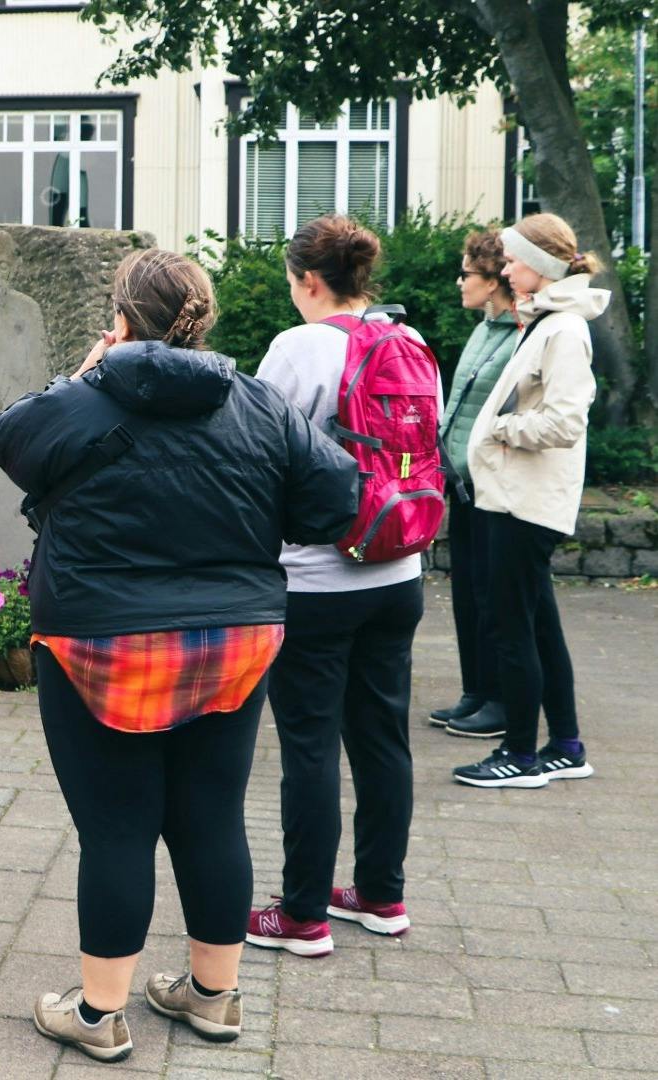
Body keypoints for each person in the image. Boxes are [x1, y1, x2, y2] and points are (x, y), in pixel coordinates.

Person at [0, 248, 357, 1062]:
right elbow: (336, 500)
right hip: (234, 638)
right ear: (206, 317)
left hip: (99, 643)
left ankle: (99, 1014)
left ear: (118, 321)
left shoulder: (83, 405)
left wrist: (86, 373)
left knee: (117, 828)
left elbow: (6, 440)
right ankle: (214, 998)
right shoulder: (259, 404)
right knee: (212, 814)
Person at [247, 216, 433, 958]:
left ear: (309, 281)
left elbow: (255, 449)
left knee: (311, 747)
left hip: (317, 578)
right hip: (399, 568)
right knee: (383, 738)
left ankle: (302, 916)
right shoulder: (410, 343)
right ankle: (382, 896)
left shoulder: (298, 348)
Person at [452, 213, 602, 788]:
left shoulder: (562, 329)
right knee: (538, 628)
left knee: (513, 630)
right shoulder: (549, 321)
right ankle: (564, 745)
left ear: (539, 266)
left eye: (512, 260)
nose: (504, 267)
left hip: (523, 502)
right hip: (517, 497)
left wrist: (500, 430)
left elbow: (565, 421)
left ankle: (518, 755)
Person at [433, 230, 520, 738]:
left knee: (491, 594)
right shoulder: (485, 329)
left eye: (467, 273)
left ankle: (500, 699)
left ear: (492, 282)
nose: (459, 281)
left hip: (494, 485)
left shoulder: (519, 334)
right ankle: (475, 690)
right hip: (462, 482)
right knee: (466, 589)